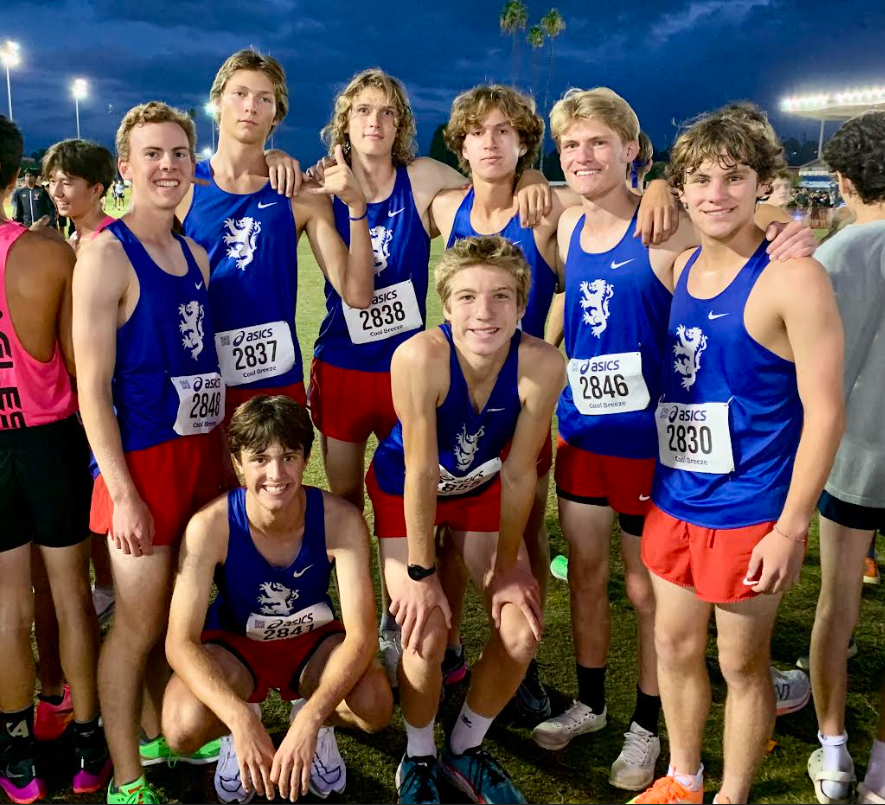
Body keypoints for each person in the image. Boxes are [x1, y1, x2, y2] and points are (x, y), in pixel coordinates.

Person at [630, 103, 844, 805]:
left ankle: (733, 793)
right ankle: (683, 778)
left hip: (750, 510)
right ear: (682, 189)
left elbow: (825, 411)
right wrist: (653, 185)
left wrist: (788, 528)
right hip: (673, 498)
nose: (714, 193)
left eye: (733, 177)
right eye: (698, 179)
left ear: (763, 184)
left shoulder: (791, 277)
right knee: (672, 647)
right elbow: (586, 197)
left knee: (740, 665)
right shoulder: (679, 264)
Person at [308, 69, 550, 688]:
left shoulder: (425, 181)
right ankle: (358, 619)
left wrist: (532, 175)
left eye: (388, 112)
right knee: (346, 507)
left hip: (418, 375)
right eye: (363, 111)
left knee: (442, 497)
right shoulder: (320, 190)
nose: (375, 123)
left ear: (402, 124)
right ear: (345, 121)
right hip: (344, 368)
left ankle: (441, 632)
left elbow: (490, 183)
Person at [366, 235, 565, 804]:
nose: (485, 312)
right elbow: (422, 472)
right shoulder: (419, 357)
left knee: (520, 628)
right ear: (446, 307)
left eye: (502, 296)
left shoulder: (541, 363)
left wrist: (506, 565)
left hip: (480, 488)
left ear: (522, 305)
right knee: (424, 631)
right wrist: (422, 576)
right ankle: (419, 754)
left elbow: (522, 472)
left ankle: (465, 746)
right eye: (469, 297)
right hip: (406, 488)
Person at [73, 101, 232, 803]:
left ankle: (155, 733)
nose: (166, 167)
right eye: (151, 154)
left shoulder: (195, 254)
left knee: (181, 615)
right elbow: (92, 390)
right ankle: (128, 783)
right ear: (126, 168)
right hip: (139, 465)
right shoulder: (107, 253)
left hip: (199, 458)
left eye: (177, 154)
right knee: (136, 624)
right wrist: (125, 491)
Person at [162, 395, 393, 804]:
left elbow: (361, 635)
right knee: (181, 727)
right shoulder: (210, 526)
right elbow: (179, 641)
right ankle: (245, 721)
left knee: (375, 706)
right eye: (260, 459)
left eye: (288, 456)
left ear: (305, 459)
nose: (276, 473)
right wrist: (237, 720)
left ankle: (315, 726)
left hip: (312, 646)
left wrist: (312, 716)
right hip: (237, 649)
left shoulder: (340, 520)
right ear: (237, 462)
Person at [0, 114, 110, 804]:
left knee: (7, 605)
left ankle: (15, 755)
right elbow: (78, 367)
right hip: (50, 441)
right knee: (71, 598)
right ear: (16, 177)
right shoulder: (48, 252)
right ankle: (87, 744)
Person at [179, 48, 374, 422]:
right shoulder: (184, 188)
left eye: (263, 98)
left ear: (276, 114)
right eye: (240, 94)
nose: (250, 106)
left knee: (277, 482)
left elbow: (358, 293)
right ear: (217, 102)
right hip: (200, 380)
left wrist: (356, 207)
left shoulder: (299, 195)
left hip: (275, 382)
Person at [802, 111, 885, 805]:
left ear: (842, 178)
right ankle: (882, 764)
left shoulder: (833, 255)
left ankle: (832, 751)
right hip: (858, 453)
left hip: (851, 458)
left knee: (837, 604)